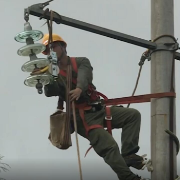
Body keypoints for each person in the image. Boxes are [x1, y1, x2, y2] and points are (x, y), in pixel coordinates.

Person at [42, 33, 147, 180]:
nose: (51, 52)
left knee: (132, 115)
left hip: (97, 108)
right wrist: (48, 77)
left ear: (63, 47)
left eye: (53, 47)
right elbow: (49, 91)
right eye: (48, 50)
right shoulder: (56, 75)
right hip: (82, 118)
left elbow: (85, 76)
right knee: (109, 146)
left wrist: (79, 88)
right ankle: (128, 178)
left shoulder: (80, 62)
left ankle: (129, 154)